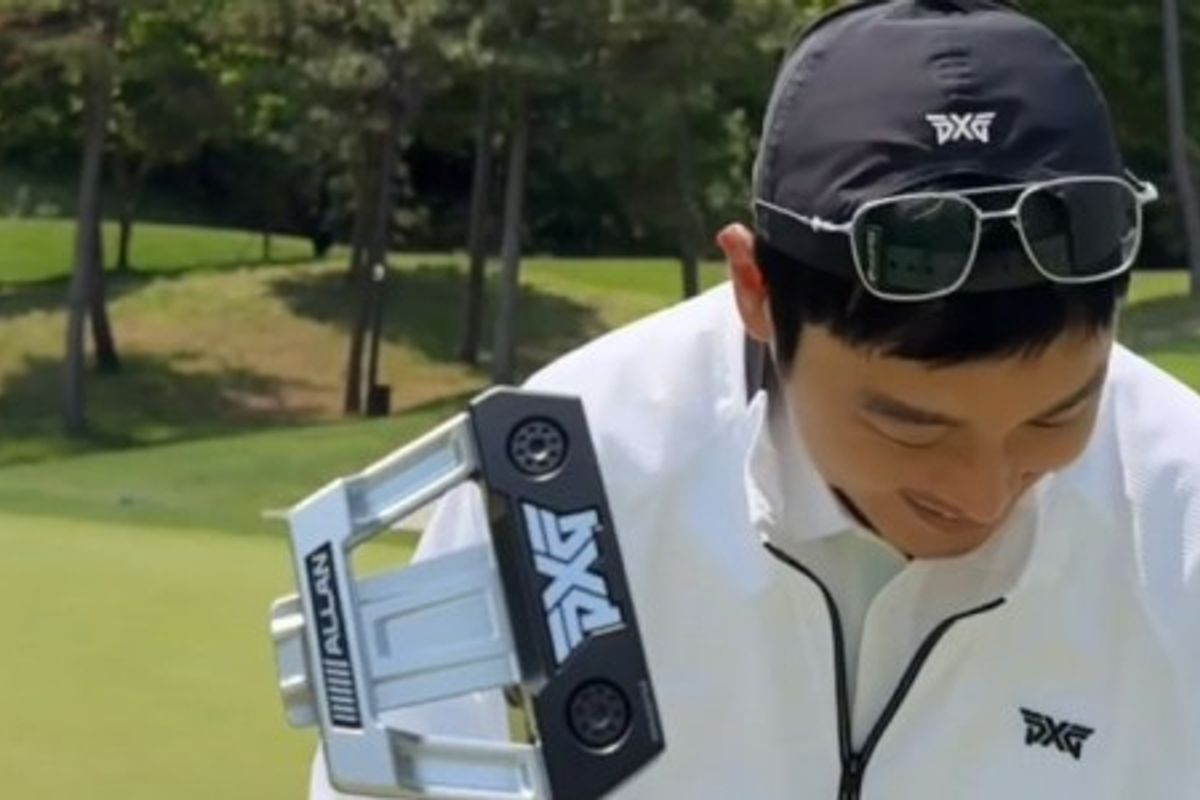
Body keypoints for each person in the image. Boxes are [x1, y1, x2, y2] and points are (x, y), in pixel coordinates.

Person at [312, 0, 1200, 797]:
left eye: (1056, 416)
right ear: (756, 291)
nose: (981, 491)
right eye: (909, 425)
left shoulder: (1185, 507)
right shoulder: (563, 474)